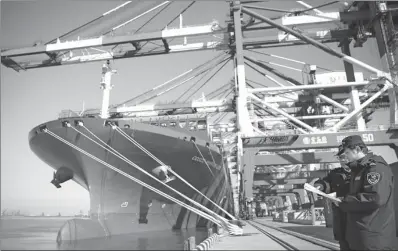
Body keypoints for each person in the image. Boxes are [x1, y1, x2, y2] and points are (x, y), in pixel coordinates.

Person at [336, 135, 397, 250]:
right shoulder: (359, 169)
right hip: (362, 235)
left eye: (347, 153)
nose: (346, 157)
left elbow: (375, 198)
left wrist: (344, 201)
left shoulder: (375, 168)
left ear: (358, 150)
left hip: (374, 238)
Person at [314, 146, 351, 250]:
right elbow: (326, 182)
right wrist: (320, 186)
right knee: (344, 244)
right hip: (341, 218)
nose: (343, 160)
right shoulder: (334, 173)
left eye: (345, 156)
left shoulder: (363, 171)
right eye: (340, 158)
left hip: (357, 219)